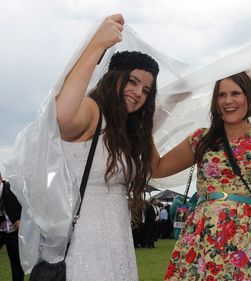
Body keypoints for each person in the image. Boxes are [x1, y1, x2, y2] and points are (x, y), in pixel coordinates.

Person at [154, 47, 251, 280]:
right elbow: (157, 168)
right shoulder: (200, 139)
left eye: (235, 93)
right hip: (202, 239)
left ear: (249, 97)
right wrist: (149, 118)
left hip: (247, 239)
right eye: (222, 95)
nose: (228, 101)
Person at [56, 14, 159, 280]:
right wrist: (95, 47)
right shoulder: (92, 111)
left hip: (117, 238)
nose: (138, 93)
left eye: (146, 90)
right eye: (133, 81)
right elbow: (63, 118)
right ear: (113, 77)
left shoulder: (124, 129)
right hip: (84, 240)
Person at [0, 172, 24, 281]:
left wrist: (22, 220)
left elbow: (28, 204)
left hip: (14, 232)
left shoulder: (12, 188)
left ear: (0, 178)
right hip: (1, 232)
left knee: (16, 264)